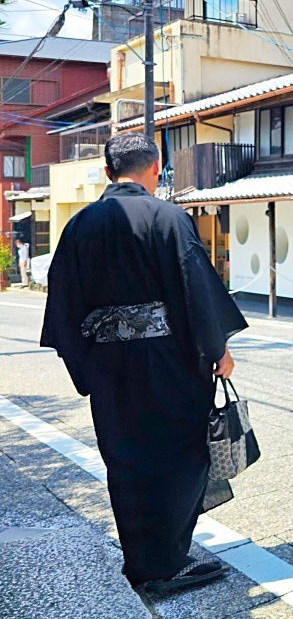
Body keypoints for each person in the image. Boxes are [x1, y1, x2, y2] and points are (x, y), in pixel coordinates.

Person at [41, 132, 248, 595]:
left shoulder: (80, 225)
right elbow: (193, 286)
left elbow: (63, 301)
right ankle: (164, 565)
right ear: (155, 169)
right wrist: (217, 349)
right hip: (167, 362)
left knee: (126, 458)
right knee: (179, 454)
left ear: (110, 173)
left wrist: (87, 363)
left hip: (108, 364)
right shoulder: (167, 217)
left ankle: (143, 558)